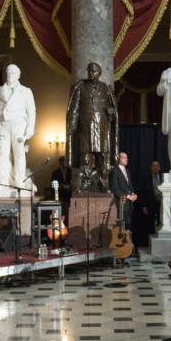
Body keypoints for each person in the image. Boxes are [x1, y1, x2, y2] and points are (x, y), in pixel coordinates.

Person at [0, 65, 36, 192]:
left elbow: (32, 112)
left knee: (19, 155)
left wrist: (29, 131)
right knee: (2, 156)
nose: (10, 75)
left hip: (18, 126)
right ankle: (2, 183)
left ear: (18, 75)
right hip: (1, 125)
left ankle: (19, 182)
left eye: (13, 73)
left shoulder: (25, 91)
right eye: (8, 73)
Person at [66, 61, 116, 192]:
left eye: (94, 71)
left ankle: (104, 183)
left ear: (99, 73)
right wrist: (72, 125)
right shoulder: (80, 87)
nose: (91, 73)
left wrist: (111, 113)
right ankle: (85, 183)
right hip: (85, 127)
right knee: (86, 155)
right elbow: (74, 108)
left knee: (103, 156)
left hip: (102, 128)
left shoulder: (106, 88)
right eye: (89, 71)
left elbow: (113, 110)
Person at [107, 151, 137, 230]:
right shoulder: (115, 171)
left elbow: (130, 186)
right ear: (119, 159)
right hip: (121, 205)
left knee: (128, 228)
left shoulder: (127, 171)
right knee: (121, 229)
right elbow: (115, 190)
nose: (126, 159)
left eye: (126, 158)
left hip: (129, 205)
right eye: (124, 158)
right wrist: (128, 196)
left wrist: (133, 194)